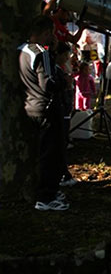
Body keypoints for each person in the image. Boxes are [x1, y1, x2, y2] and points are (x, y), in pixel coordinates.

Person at [19, 15, 68, 211]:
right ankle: (47, 196)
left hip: (30, 104)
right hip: (47, 107)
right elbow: (48, 83)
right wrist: (64, 82)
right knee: (52, 153)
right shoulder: (42, 54)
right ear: (47, 33)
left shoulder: (23, 50)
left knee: (42, 151)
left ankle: (44, 191)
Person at [54, 42, 78, 187]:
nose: (68, 58)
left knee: (61, 142)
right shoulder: (55, 70)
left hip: (64, 109)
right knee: (59, 143)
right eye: (67, 55)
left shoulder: (61, 68)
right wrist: (67, 85)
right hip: (61, 110)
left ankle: (62, 172)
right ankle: (62, 174)